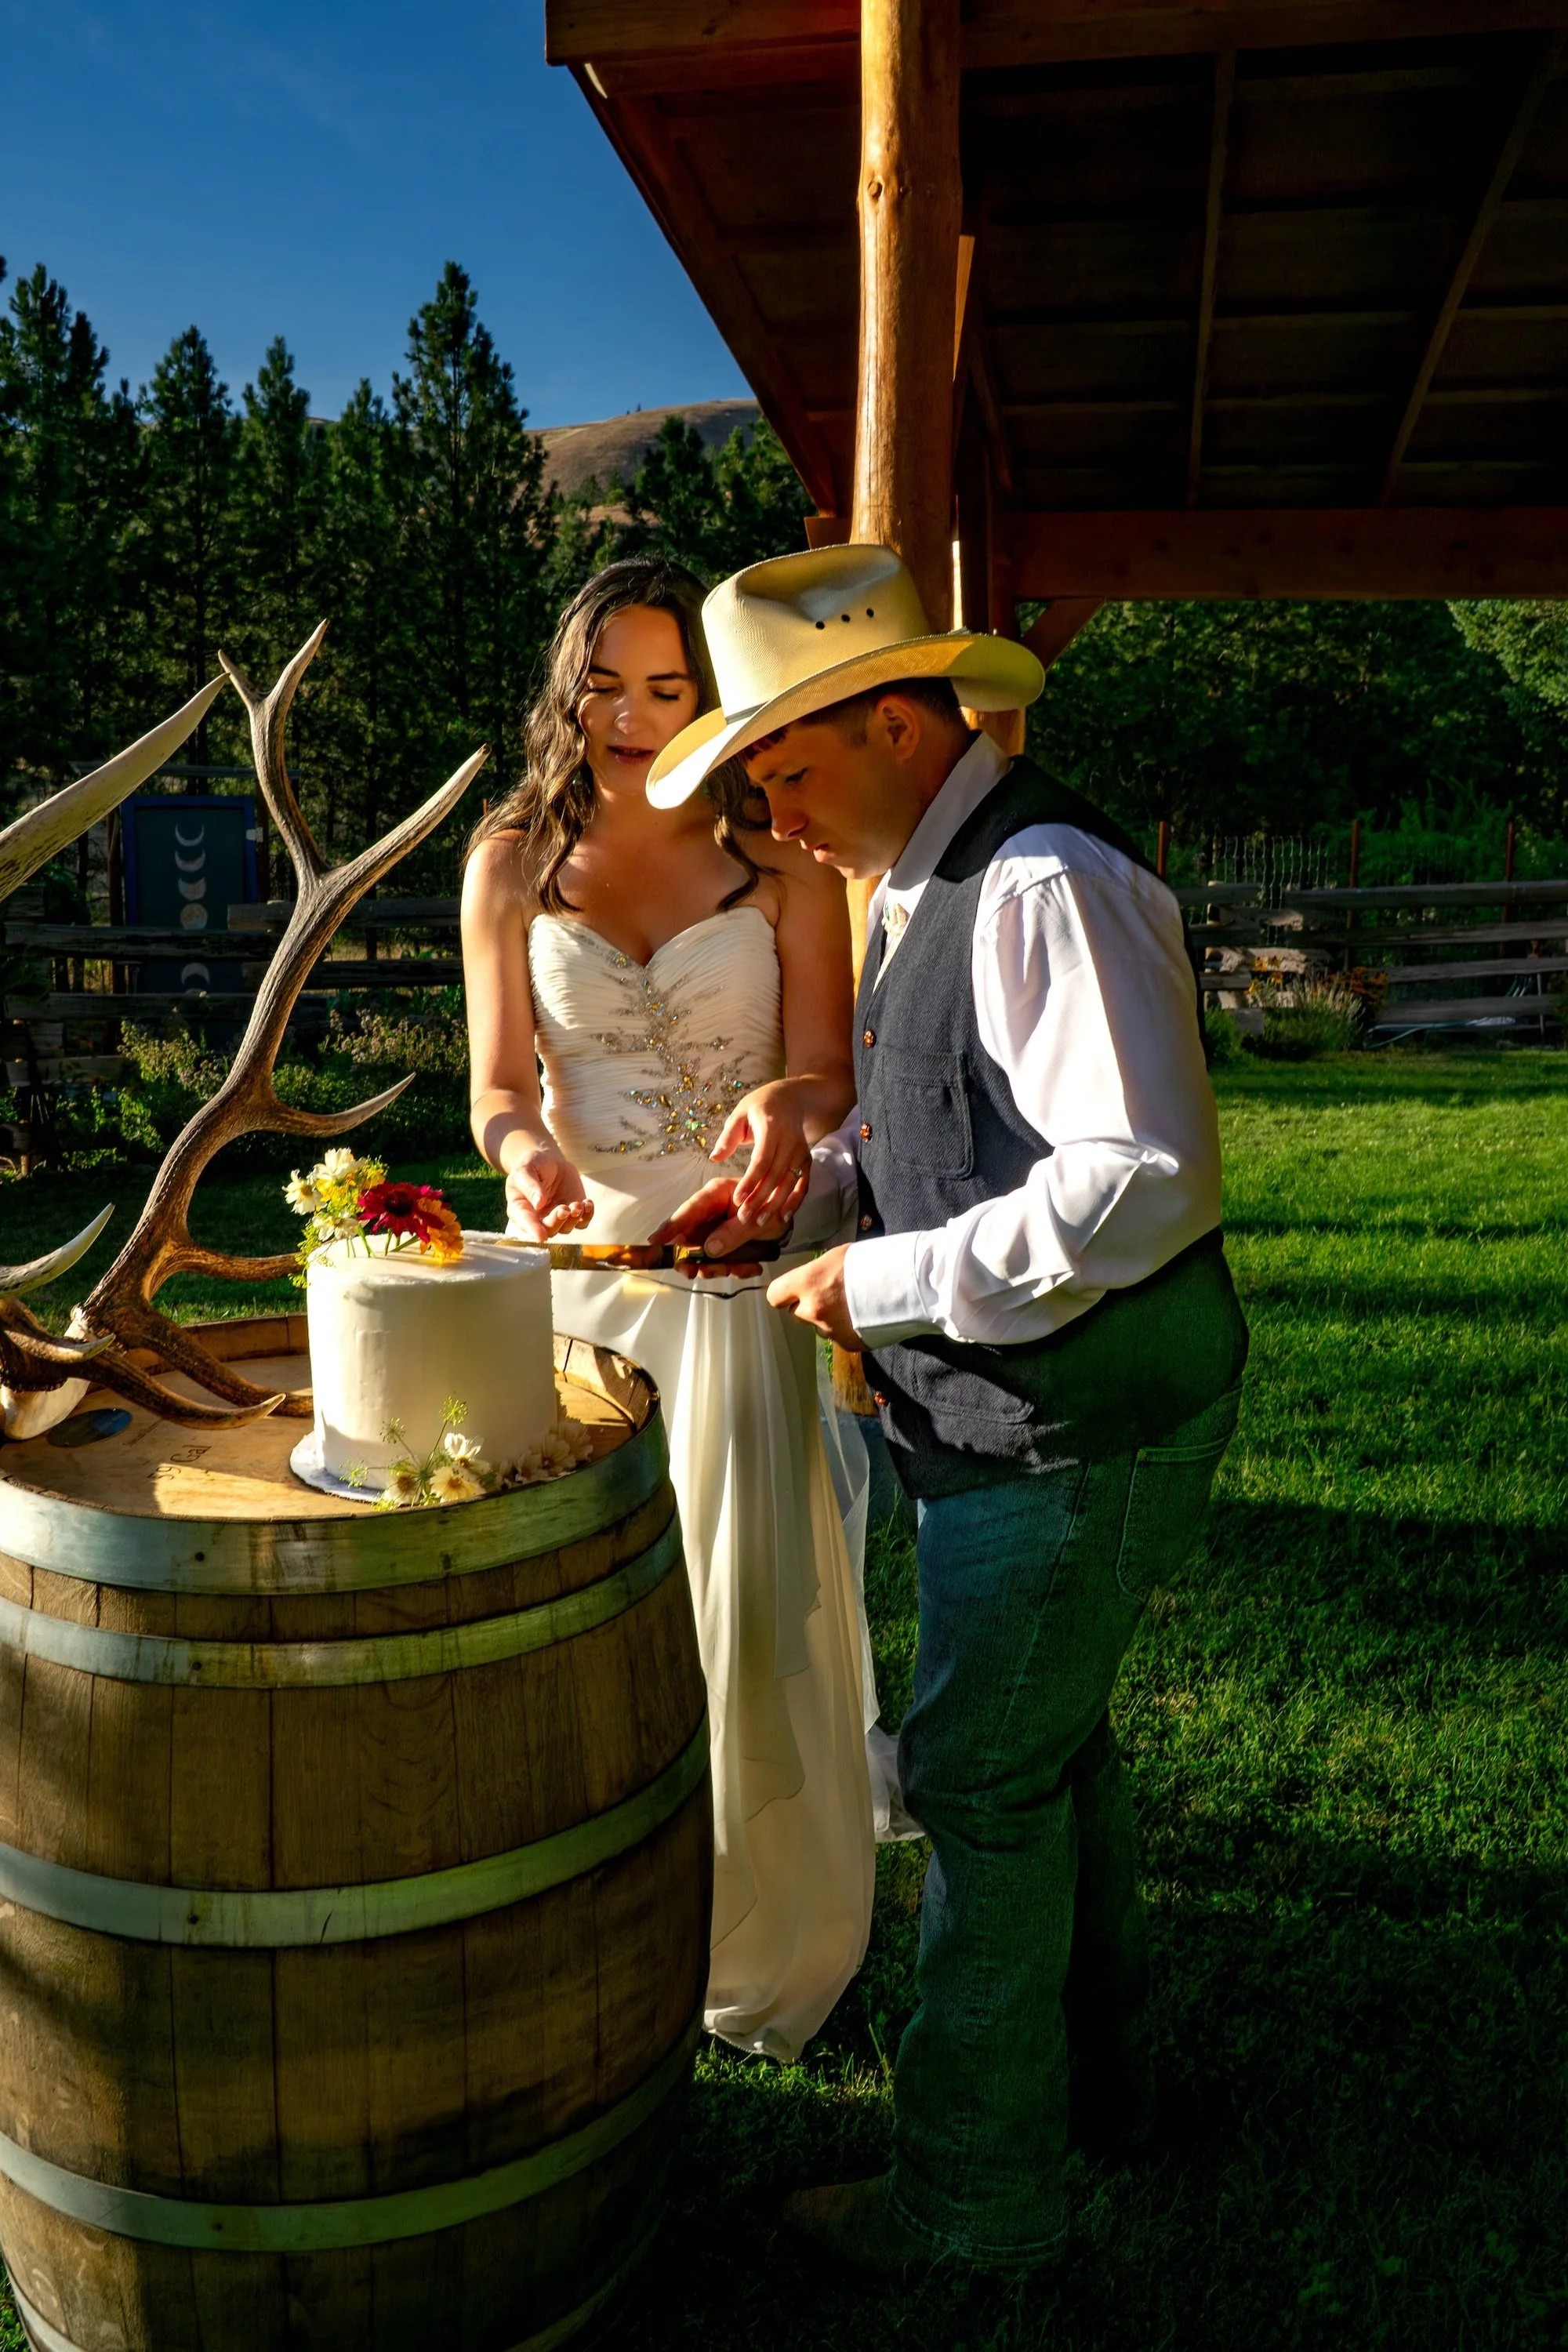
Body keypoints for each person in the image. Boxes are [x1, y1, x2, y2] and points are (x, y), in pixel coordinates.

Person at [644, 543, 1250, 2269]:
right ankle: (1108, 2095)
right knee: (1049, 1758)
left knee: (980, 1786)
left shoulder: (1040, 879)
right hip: (1022, 1425)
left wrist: (882, 1283)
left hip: (1076, 1433)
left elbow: (1141, 1179)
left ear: (900, 726)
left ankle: (971, 2202)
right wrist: (816, 1180)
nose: (774, 810)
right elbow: (963, 1127)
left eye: (787, 768)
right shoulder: (931, 874)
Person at [461, 557, 877, 2062]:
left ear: (713, 702)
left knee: (740, 1600)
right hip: (581, 1288)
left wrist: (781, 1099)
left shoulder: (786, 871)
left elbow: (828, 1075)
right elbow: (501, 1087)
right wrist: (523, 1154)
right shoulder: (507, 861)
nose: (634, 718)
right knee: (583, 1620)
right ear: (566, 688)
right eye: (608, 683)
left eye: (669, 689)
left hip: (733, 1270)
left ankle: (763, 1929)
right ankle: (584, 1906)